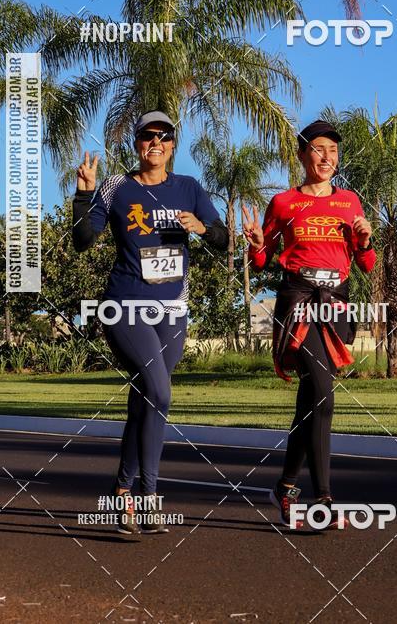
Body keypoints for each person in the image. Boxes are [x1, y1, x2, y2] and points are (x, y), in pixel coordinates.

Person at [72, 111, 228, 535]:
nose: (155, 142)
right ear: (137, 144)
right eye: (147, 136)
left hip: (172, 310)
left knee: (147, 400)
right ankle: (148, 497)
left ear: (173, 145)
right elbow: (83, 241)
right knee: (160, 390)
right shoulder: (116, 187)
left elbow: (223, 238)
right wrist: (83, 195)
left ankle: (122, 491)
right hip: (125, 306)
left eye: (163, 136)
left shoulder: (189, 188)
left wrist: (203, 228)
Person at [242, 120, 375, 530]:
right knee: (324, 395)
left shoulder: (350, 202)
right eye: (318, 149)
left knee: (311, 400)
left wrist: (365, 241)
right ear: (302, 155)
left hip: (335, 304)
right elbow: (260, 260)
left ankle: (285, 487)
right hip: (298, 301)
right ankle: (323, 501)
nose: (326, 157)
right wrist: (257, 245)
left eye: (332, 150)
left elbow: (367, 264)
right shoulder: (284, 203)